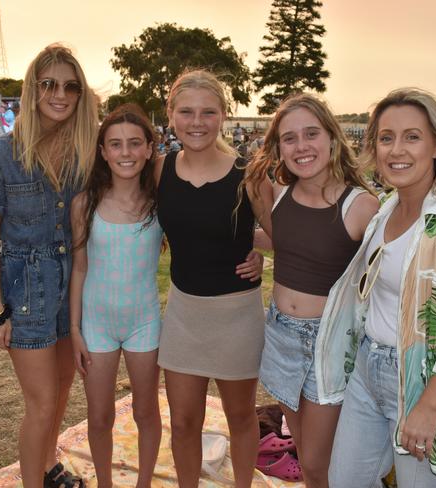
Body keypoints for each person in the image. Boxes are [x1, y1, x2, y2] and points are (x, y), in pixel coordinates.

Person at [315, 88, 436, 487]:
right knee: (344, 480)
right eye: (386, 138)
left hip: (425, 381)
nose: (397, 149)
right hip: (368, 368)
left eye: (412, 136)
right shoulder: (385, 209)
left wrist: (431, 405)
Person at [0, 43, 98, 488]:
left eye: (70, 86)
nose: (59, 94)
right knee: (41, 402)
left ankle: (47, 466)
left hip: (71, 290)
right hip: (25, 294)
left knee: (61, 391)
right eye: (49, 84)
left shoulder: (84, 154)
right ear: (32, 89)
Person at [243, 93, 379, 487]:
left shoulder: (361, 206)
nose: (301, 146)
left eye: (311, 134)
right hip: (280, 335)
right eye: (289, 138)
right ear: (278, 147)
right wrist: (241, 247)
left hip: (327, 346)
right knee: (302, 449)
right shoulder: (279, 195)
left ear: (332, 138)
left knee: (319, 462)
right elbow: (283, 240)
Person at [155, 69, 272, 488]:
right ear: (171, 114)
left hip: (238, 316)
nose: (197, 121)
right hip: (185, 314)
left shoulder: (250, 174)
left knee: (241, 417)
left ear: (224, 115)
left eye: (208, 112)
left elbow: (282, 237)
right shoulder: (158, 170)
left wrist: (260, 255)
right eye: (186, 111)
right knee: (184, 422)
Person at [69, 104, 163, 488]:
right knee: (99, 416)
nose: (125, 153)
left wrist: (254, 253)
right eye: (116, 144)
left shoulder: (161, 204)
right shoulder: (84, 204)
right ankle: (105, 482)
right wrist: (74, 329)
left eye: (134, 144)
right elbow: (79, 268)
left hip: (144, 322)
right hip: (96, 324)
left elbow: (205, 239)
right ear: (103, 151)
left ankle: (143, 483)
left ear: (148, 149)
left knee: (146, 411)